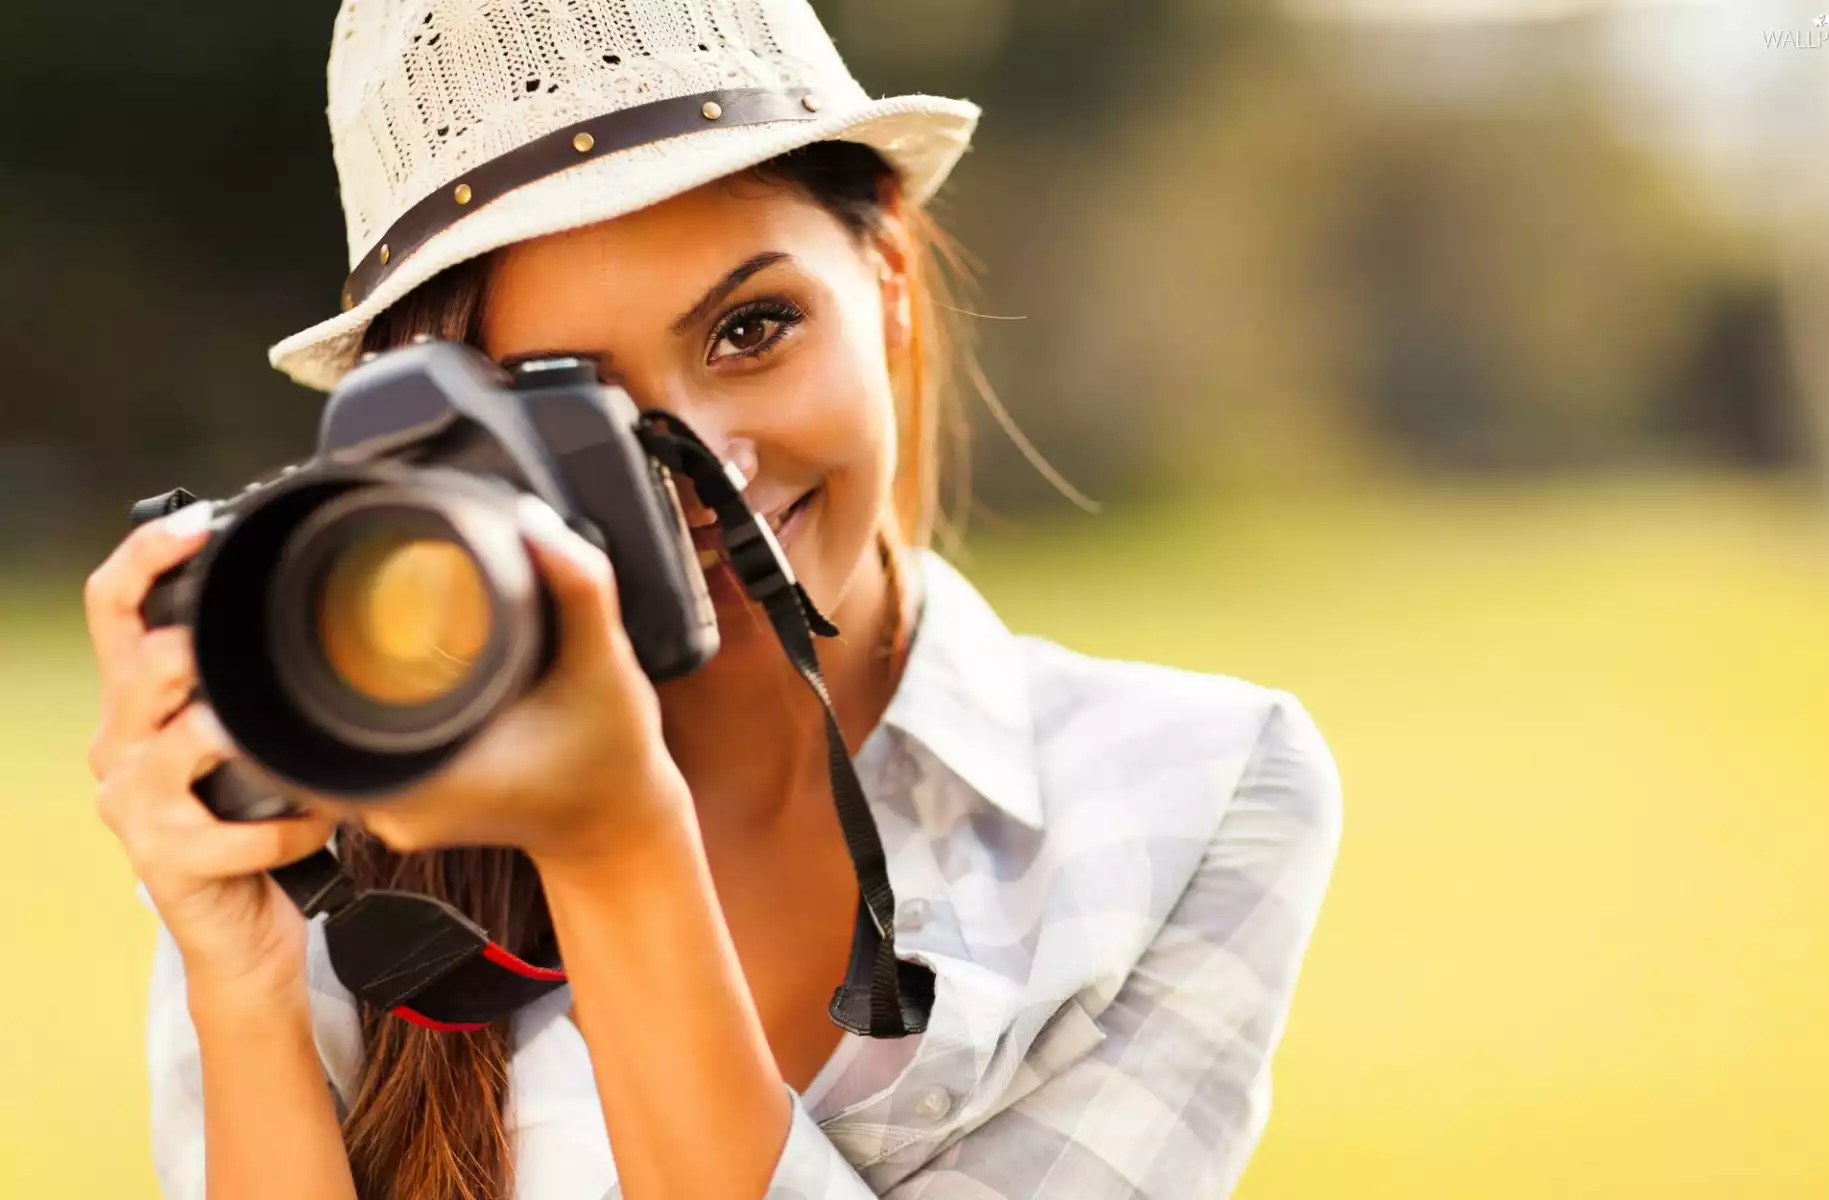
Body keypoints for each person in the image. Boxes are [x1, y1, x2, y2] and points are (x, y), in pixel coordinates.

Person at [83, 2, 1343, 1197]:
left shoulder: (1198, 794)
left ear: (889, 280)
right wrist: (242, 976)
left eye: (753, 328)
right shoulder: (341, 806)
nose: (700, 469)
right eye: (563, 403)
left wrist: (617, 845)